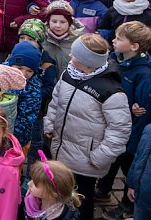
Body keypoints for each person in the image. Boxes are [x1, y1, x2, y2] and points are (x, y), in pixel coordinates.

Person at [44, 34, 131, 220]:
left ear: (88, 61)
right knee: (61, 195)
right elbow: (56, 101)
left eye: (74, 55)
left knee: (82, 200)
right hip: (61, 150)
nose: (70, 57)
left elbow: (119, 132)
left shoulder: (110, 91)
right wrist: (49, 124)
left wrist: (98, 157)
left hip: (85, 161)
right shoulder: (68, 74)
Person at [94, 22, 151, 220]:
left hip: (131, 133)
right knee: (111, 161)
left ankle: (127, 204)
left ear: (134, 46)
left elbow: (143, 109)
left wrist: (133, 113)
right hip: (112, 123)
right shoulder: (114, 58)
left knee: (129, 167)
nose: (113, 40)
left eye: (119, 38)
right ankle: (103, 189)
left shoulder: (144, 73)